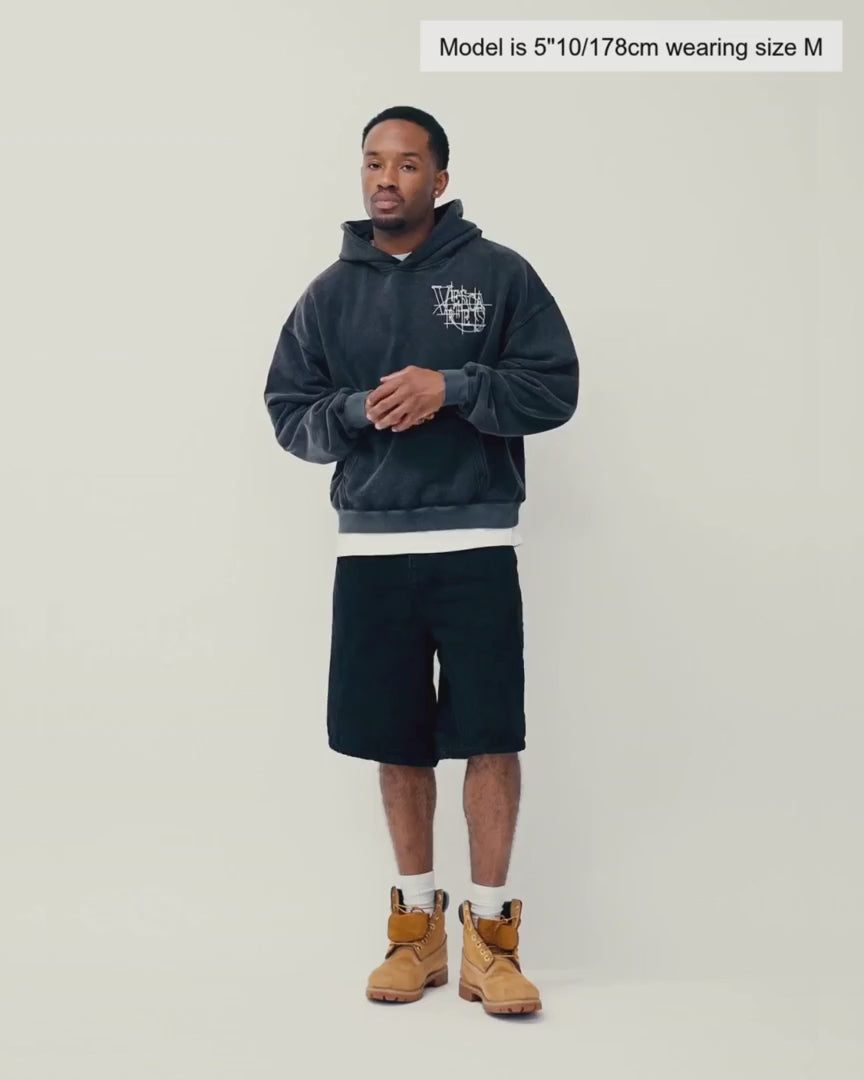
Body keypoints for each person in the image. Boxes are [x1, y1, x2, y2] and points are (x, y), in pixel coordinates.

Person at [263, 105, 579, 1016]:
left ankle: (492, 942)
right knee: (395, 742)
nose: (386, 178)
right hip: (372, 548)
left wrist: (456, 386)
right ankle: (416, 935)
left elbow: (554, 389)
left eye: (406, 164)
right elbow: (290, 412)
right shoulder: (328, 293)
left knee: (490, 735)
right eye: (373, 162)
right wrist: (355, 409)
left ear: (439, 180)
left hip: (476, 543)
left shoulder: (497, 273)